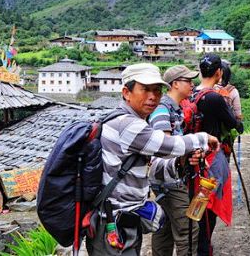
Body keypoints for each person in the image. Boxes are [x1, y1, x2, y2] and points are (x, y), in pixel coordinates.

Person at [86, 63, 218, 256]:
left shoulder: (137, 121)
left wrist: (180, 163)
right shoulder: (127, 124)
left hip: (125, 222)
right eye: (145, 89)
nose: (153, 96)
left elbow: (151, 169)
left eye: (156, 90)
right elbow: (169, 146)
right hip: (112, 225)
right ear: (126, 92)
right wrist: (204, 138)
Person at [148, 65, 201, 256]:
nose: (192, 84)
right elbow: (165, 147)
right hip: (167, 178)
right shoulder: (162, 110)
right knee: (188, 229)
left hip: (167, 178)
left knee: (164, 226)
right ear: (175, 84)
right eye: (188, 81)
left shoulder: (175, 109)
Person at [194, 53, 243, 256]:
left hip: (192, 157)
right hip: (211, 159)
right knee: (209, 204)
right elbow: (235, 124)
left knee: (197, 200)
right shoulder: (214, 97)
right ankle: (203, 247)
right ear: (219, 73)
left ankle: (196, 243)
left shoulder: (191, 93)